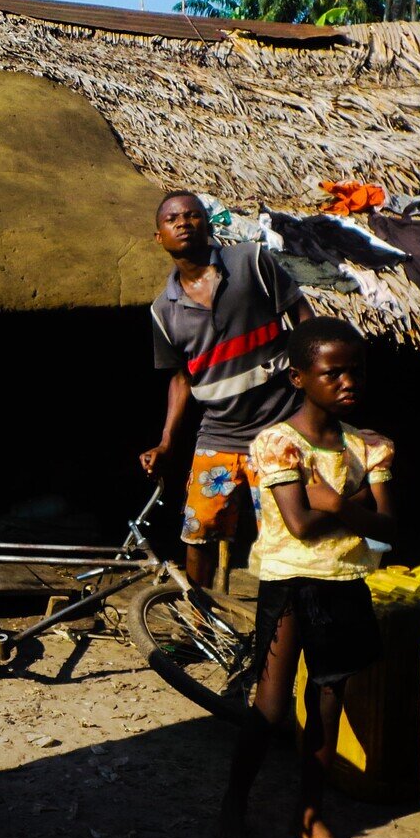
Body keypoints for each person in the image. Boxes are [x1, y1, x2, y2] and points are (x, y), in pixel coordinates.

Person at [218, 317, 397, 838]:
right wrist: (357, 509)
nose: (348, 382)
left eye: (356, 372)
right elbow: (297, 523)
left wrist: (340, 504)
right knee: (271, 707)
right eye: (332, 373)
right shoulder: (278, 443)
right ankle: (232, 808)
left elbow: (391, 527)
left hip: (344, 581)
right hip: (290, 582)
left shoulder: (371, 445)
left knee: (326, 703)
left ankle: (309, 814)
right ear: (299, 378)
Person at [140, 190, 313, 588]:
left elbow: (301, 315)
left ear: (207, 223)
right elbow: (181, 378)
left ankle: (289, 616)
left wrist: (312, 387)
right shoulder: (162, 311)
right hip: (219, 434)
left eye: (192, 215)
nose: (183, 222)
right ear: (159, 237)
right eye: (171, 219)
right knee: (198, 530)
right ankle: (201, 623)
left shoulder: (251, 261)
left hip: (280, 427)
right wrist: (166, 442)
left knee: (285, 531)